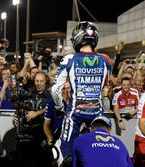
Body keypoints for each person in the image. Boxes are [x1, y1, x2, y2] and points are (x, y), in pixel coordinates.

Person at [51, 21, 112, 159]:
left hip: (74, 114)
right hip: (98, 115)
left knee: (64, 152)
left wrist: (60, 106)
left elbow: (55, 89)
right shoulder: (106, 60)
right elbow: (105, 89)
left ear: (77, 37)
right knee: (99, 154)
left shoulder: (69, 59)